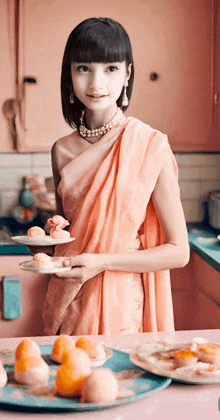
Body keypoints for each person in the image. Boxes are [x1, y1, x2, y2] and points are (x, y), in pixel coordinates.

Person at [41, 17, 190, 336]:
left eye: (110, 68)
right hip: (68, 294)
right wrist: (44, 237)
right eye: (83, 68)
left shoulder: (150, 145)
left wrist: (101, 261)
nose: (96, 83)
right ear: (69, 72)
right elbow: (67, 232)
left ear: (127, 74)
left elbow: (179, 252)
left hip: (120, 305)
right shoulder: (60, 150)